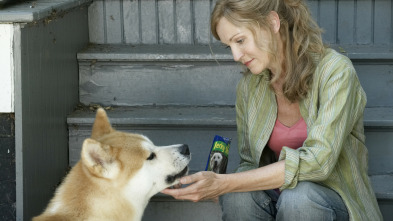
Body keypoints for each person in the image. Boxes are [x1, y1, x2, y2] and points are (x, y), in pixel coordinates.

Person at [162, 0, 382, 220]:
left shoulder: (335, 71)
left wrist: (224, 183)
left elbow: (319, 163)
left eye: (240, 40)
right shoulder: (249, 88)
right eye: (229, 46)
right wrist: (215, 183)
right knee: (238, 198)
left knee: (299, 198)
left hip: (332, 204)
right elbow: (250, 163)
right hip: (279, 202)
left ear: (272, 22)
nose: (236, 56)